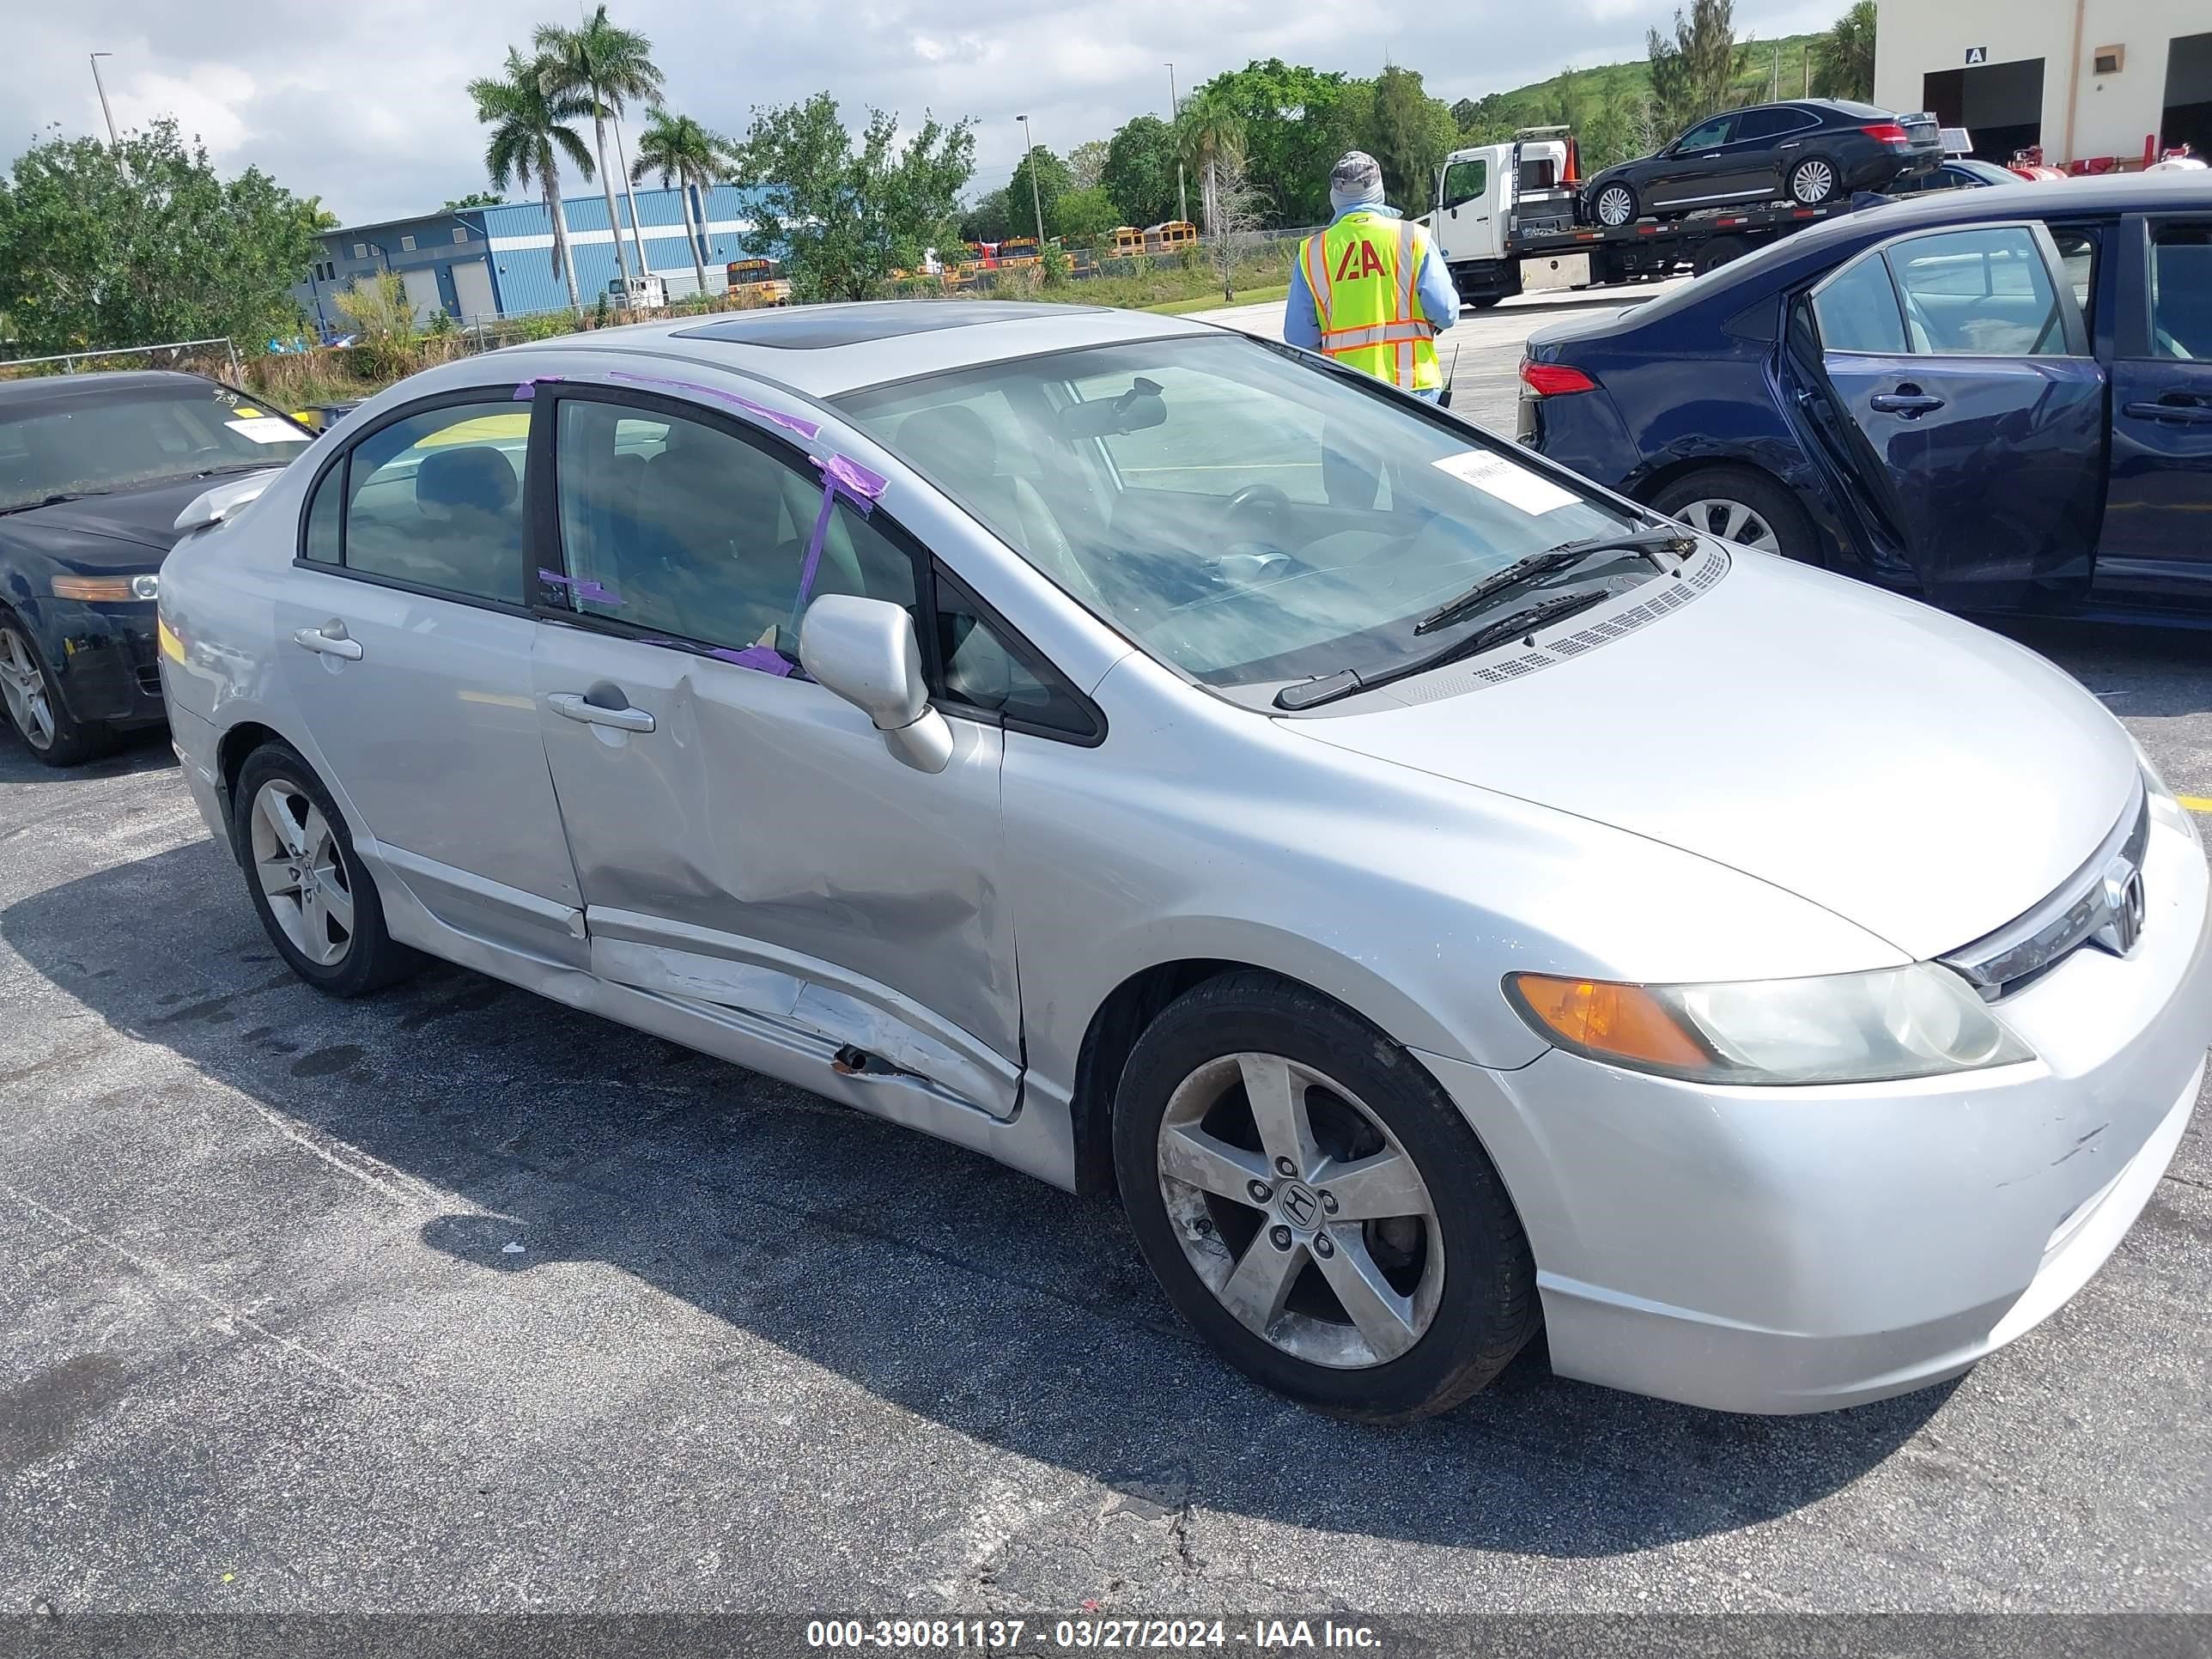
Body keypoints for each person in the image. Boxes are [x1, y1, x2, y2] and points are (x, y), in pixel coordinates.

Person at [1285, 151, 1462, 401]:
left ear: (1335, 196)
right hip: (1414, 391)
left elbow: (1299, 338)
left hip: (1346, 393)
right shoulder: (1412, 238)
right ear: (1378, 189)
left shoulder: (1313, 252)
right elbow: (1445, 312)